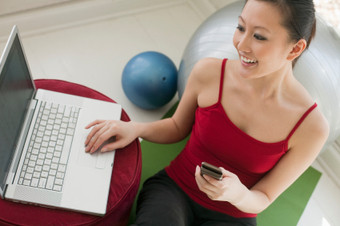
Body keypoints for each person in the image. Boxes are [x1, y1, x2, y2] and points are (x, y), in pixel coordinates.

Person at [84, 0, 329, 225]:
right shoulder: (209, 73)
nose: (241, 45)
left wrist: (237, 193)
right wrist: (135, 129)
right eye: (241, 27)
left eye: (259, 36)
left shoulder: (312, 128)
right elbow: (177, 127)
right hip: (175, 189)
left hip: (235, 215)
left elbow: (263, 196)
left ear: (295, 49)